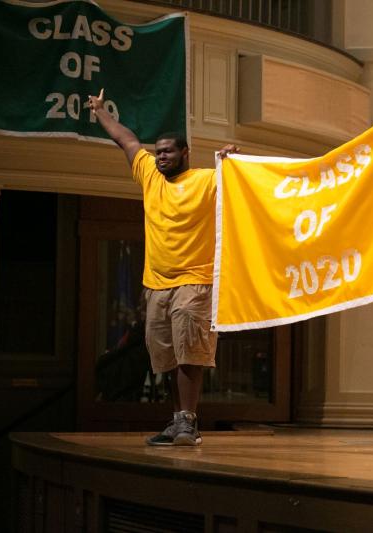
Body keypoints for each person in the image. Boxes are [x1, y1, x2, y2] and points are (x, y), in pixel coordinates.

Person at [86, 89, 239, 446]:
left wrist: (232, 160)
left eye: (168, 151)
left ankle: (189, 421)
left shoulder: (205, 179)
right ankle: (177, 421)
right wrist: (100, 111)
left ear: (185, 153)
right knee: (167, 356)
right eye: (158, 152)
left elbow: (239, 182)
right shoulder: (150, 178)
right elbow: (126, 139)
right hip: (157, 284)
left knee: (190, 353)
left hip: (195, 280)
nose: (161, 157)